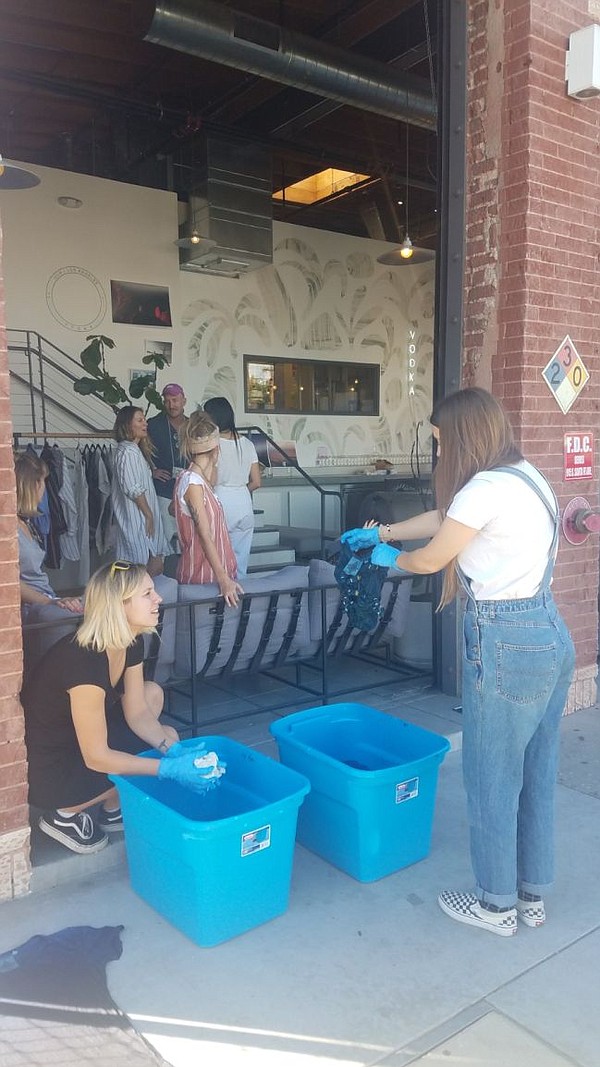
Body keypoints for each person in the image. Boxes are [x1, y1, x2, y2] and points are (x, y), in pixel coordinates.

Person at [342, 387, 575, 937]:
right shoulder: (524, 476)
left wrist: (386, 554)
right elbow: (449, 518)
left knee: (492, 777)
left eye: (441, 442)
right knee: (536, 774)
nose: (439, 452)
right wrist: (385, 530)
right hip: (549, 634)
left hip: (506, 642)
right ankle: (529, 896)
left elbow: (432, 556)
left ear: (463, 437)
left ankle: (495, 907)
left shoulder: (484, 487)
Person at [22, 561, 218, 855]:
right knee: (152, 750)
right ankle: (63, 815)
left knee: (158, 710)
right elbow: (98, 756)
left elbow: (138, 711)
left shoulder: (130, 640)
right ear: (119, 605)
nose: (159, 599)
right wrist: (167, 768)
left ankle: (113, 807)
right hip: (50, 769)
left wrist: (172, 751)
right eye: (147, 594)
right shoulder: (82, 661)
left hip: (76, 742)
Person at [15, 453, 83, 666]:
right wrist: (50, 601)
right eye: (42, 481)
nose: (45, 488)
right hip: (35, 607)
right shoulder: (9, 529)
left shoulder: (25, 523)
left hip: (45, 599)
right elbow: (9, 584)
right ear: (30, 485)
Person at [174, 411, 243, 607]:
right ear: (216, 448)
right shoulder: (193, 483)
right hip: (204, 578)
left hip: (213, 575)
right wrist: (224, 580)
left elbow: (174, 508)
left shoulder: (192, 478)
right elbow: (204, 534)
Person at [203, 396, 261, 577]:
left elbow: (209, 479)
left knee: (219, 558)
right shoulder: (248, 444)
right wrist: (240, 490)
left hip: (221, 499)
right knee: (241, 561)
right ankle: (242, 598)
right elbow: (257, 482)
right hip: (244, 502)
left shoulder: (212, 444)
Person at [112, 406, 169, 576]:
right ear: (127, 425)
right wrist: (148, 514)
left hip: (140, 518)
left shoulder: (133, 450)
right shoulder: (128, 452)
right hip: (137, 519)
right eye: (139, 420)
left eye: (144, 419)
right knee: (141, 570)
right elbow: (133, 488)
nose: (145, 423)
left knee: (151, 566)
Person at [147, 383, 188, 552]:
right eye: (167, 401)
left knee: (187, 539)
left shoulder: (192, 424)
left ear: (184, 401)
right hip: (163, 490)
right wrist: (151, 471)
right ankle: (163, 575)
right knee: (163, 539)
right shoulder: (154, 424)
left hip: (187, 490)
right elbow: (142, 450)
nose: (172, 405)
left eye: (175, 400)